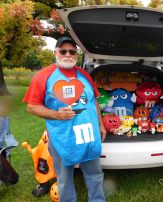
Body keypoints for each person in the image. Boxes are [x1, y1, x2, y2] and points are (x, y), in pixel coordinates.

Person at [23, 36, 107, 202]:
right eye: (63, 51)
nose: (68, 55)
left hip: (88, 136)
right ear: (55, 52)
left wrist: (101, 124)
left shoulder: (84, 75)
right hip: (62, 137)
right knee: (64, 178)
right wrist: (56, 114)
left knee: (95, 174)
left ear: (76, 54)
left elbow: (93, 100)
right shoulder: (43, 76)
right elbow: (31, 106)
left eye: (72, 51)